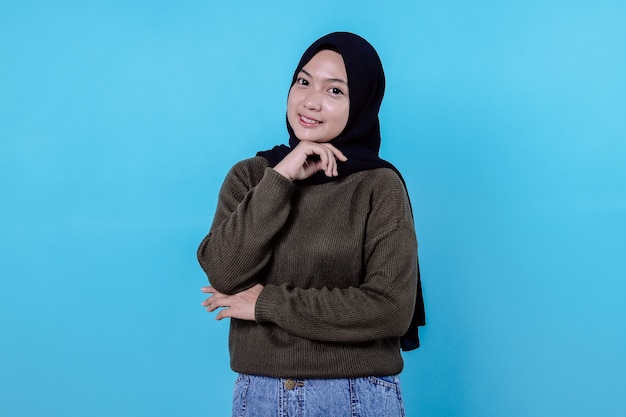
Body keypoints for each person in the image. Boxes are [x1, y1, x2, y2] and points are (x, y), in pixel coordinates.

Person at [197, 31, 425, 417]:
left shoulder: (378, 184)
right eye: (303, 81)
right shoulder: (252, 176)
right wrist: (280, 178)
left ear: (363, 104)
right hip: (261, 396)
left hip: (355, 396)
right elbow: (223, 271)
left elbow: (390, 308)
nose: (311, 101)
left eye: (335, 91)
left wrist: (267, 303)